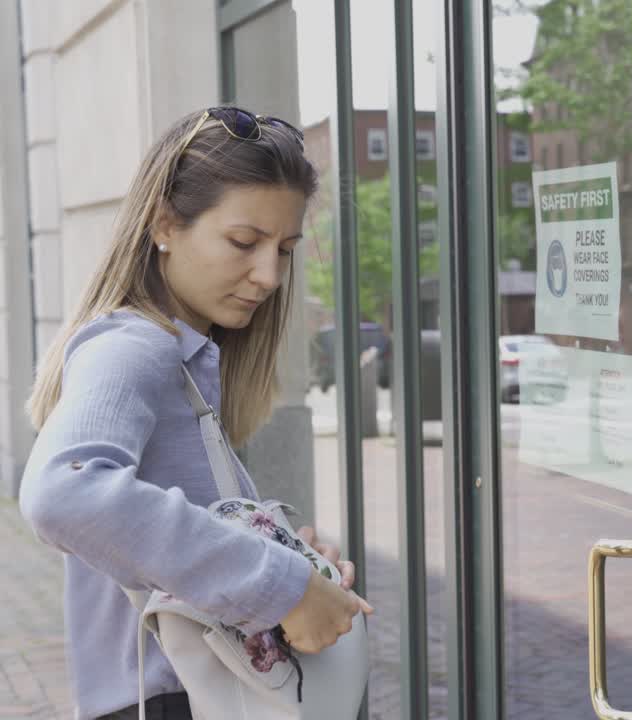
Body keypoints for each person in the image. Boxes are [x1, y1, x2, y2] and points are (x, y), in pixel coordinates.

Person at [18, 107, 373, 720]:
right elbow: (62, 492)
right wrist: (281, 587)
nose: (267, 276)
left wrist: (286, 556)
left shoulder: (185, 360)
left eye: (285, 250)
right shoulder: (136, 347)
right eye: (244, 242)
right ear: (165, 224)